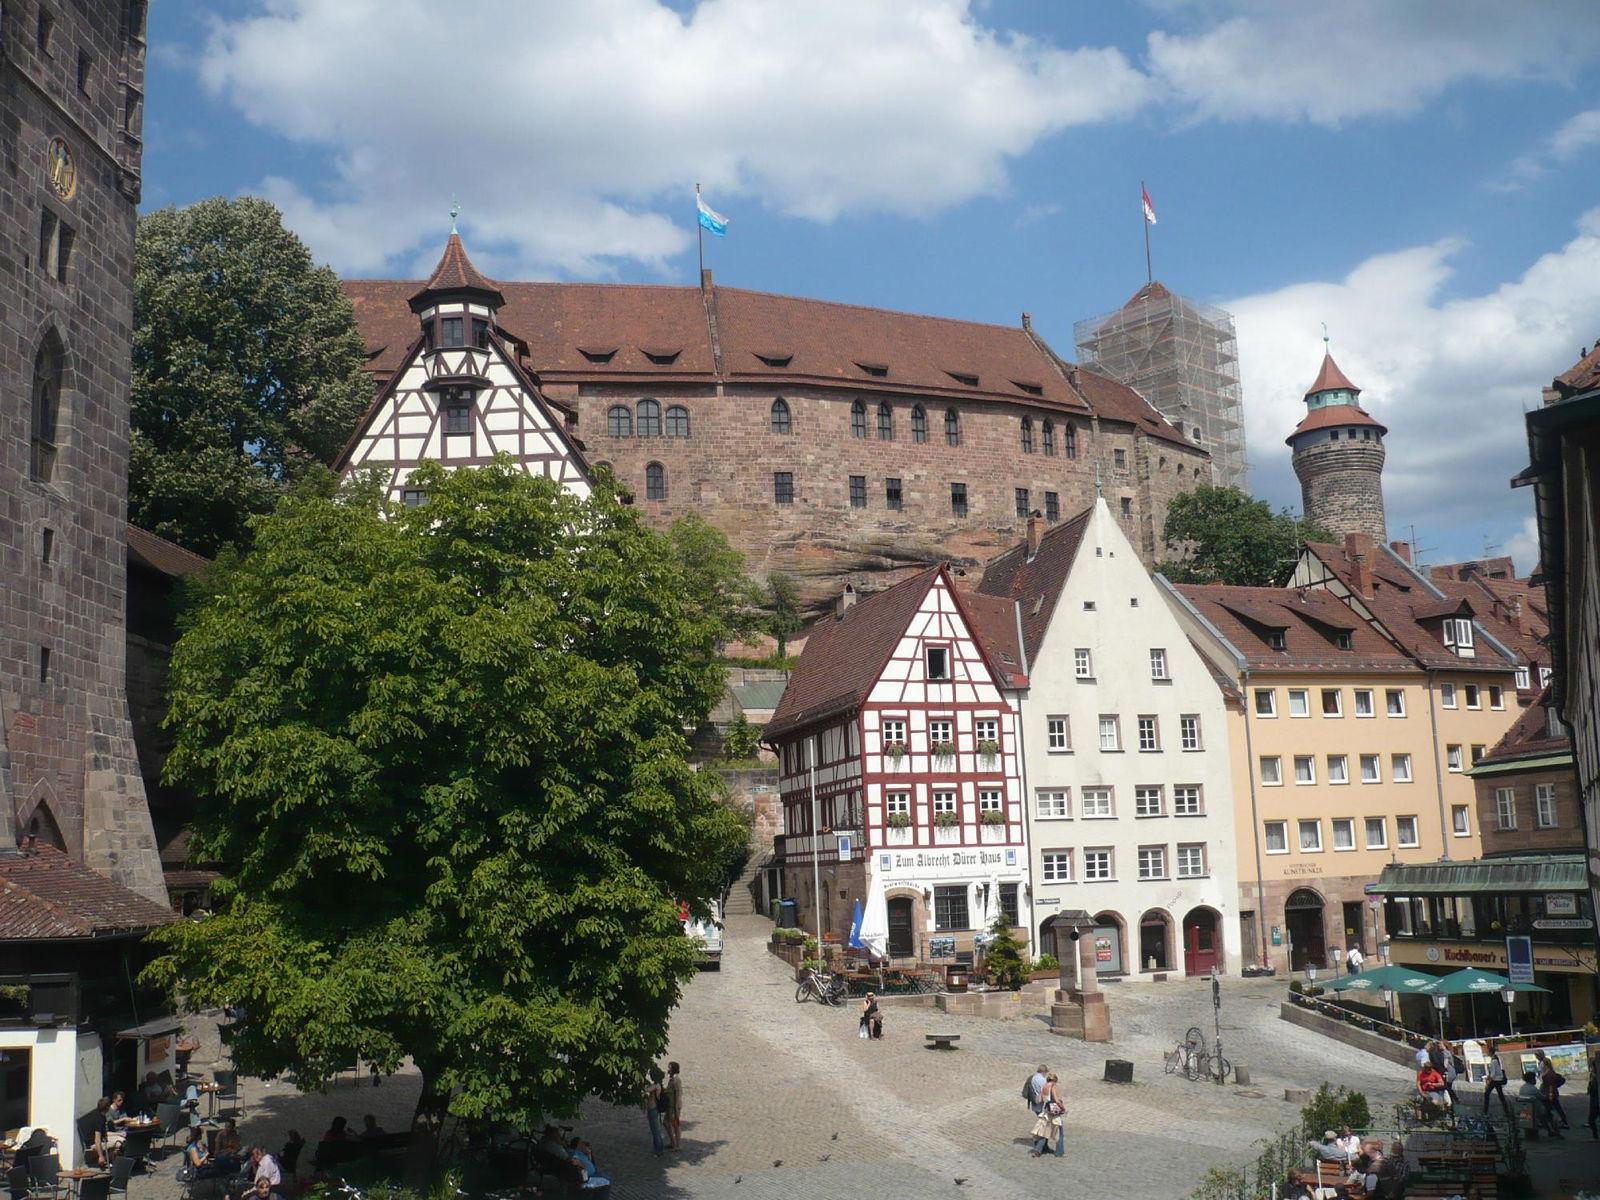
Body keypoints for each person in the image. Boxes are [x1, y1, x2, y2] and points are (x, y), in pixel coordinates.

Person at [1028, 1072, 1064, 1158]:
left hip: (1046, 1112)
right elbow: (1056, 1100)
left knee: (1045, 1132)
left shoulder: (1043, 1087)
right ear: (1054, 1080)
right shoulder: (1052, 1087)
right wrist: (1063, 1107)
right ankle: (1059, 1152)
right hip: (1054, 1113)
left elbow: (1039, 1100)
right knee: (1060, 1132)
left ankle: (1037, 1150)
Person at [1518, 1071, 1563, 1138]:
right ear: (1531, 1079)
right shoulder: (1533, 1088)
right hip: (1535, 1108)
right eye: (1534, 1078)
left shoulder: (1522, 1087)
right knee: (1550, 1114)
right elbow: (1543, 1097)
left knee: (1543, 1115)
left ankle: (1549, 1130)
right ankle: (1555, 1132)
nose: (1535, 1080)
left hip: (1525, 1108)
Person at [1538, 1052, 1571, 1129]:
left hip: (1550, 1093)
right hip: (1550, 1092)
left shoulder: (1549, 1073)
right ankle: (1558, 1121)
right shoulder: (1549, 1072)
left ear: (1545, 1065)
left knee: (1552, 1107)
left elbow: (1550, 1085)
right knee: (1553, 1107)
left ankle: (1558, 1122)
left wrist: (1549, 1094)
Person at [643, 1068, 667, 1157]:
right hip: (653, 1109)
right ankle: (657, 1149)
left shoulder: (656, 1085)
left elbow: (646, 1089)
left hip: (654, 1110)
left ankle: (659, 1150)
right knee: (655, 1130)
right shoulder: (658, 1085)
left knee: (656, 1131)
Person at [1481, 1050, 1511, 1118]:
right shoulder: (1495, 1059)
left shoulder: (1494, 1061)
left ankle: (1485, 1111)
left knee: (1487, 1094)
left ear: (1490, 1053)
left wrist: (1488, 1081)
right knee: (1500, 1095)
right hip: (1497, 1079)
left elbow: (1493, 1073)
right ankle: (1506, 1111)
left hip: (1495, 1080)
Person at [665, 1061, 683, 1150]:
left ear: (673, 1070)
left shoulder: (676, 1080)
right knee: (666, 1123)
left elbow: (678, 1094)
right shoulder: (671, 1079)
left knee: (675, 1125)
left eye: (669, 1068)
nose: (668, 1069)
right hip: (669, 1106)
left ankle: (677, 1145)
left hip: (674, 1107)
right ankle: (673, 1142)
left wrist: (676, 1109)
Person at [1587, 1058, 1598, 1139]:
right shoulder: (1592, 1075)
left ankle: (1595, 1136)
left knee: (1591, 1120)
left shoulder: (1595, 1077)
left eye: (1591, 1066)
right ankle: (1595, 1136)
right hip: (1594, 1101)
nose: (1590, 1068)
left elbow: (1593, 1088)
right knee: (1591, 1120)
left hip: (1596, 1101)